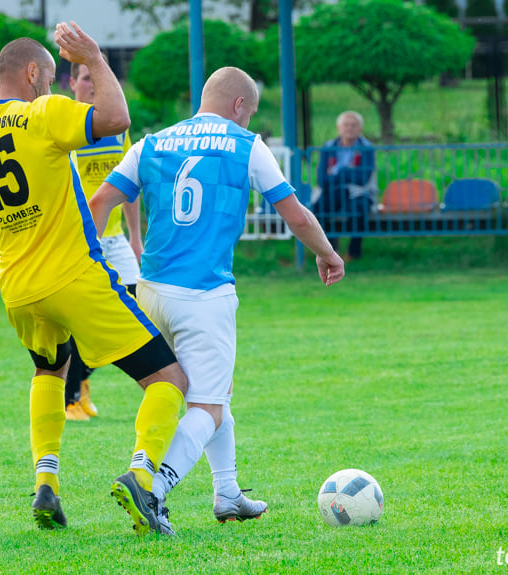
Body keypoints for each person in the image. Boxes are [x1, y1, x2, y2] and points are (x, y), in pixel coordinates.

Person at [0, 22, 187, 536]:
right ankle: (141, 476)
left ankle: (48, 486)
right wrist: (97, 58)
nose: (55, 84)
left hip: (17, 289)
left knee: (50, 372)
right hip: (72, 277)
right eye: (53, 75)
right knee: (169, 380)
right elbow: (116, 118)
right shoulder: (44, 112)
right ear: (34, 73)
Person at [90, 66, 345, 533]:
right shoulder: (247, 146)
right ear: (240, 106)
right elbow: (297, 215)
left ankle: (227, 494)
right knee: (205, 407)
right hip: (203, 296)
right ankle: (152, 491)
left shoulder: (151, 143)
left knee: (214, 392)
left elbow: (100, 201)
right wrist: (328, 254)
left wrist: (90, 262)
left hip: (149, 292)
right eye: (250, 113)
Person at [63, 59, 142, 422]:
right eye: (84, 78)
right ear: (71, 84)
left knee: (138, 308)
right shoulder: (65, 128)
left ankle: (82, 380)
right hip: (79, 239)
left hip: (114, 239)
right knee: (85, 320)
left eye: (96, 77)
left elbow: (129, 189)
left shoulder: (116, 128)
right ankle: (71, 397)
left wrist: (136, 239)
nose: (92, 84)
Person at [312, 111, 376, 261]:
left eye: (354, 125)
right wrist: (349, 172)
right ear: (338, 128)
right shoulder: (328, 147)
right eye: (346, 125)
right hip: (333, 190)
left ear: (360, 129)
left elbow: (363, 178)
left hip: (360, 192)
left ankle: (353, 253)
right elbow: (322, 179)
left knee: (358, 210)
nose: (349, 128)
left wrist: (338, 172)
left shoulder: (367, 148)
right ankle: (330, 251)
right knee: (319, 209)